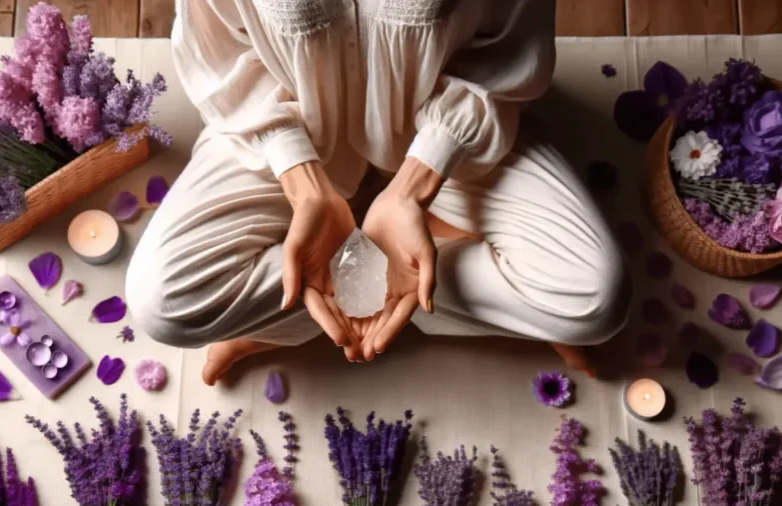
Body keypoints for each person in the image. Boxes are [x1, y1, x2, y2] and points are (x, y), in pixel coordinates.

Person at [126, 0, 630, 386]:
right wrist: (304, 186)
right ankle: (388, 285)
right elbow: (221, 56)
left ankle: (386, 281)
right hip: (287, 128)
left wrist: (416, 183)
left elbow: (503, 52)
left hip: (449, 135)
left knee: (596, 299)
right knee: (163, 304)